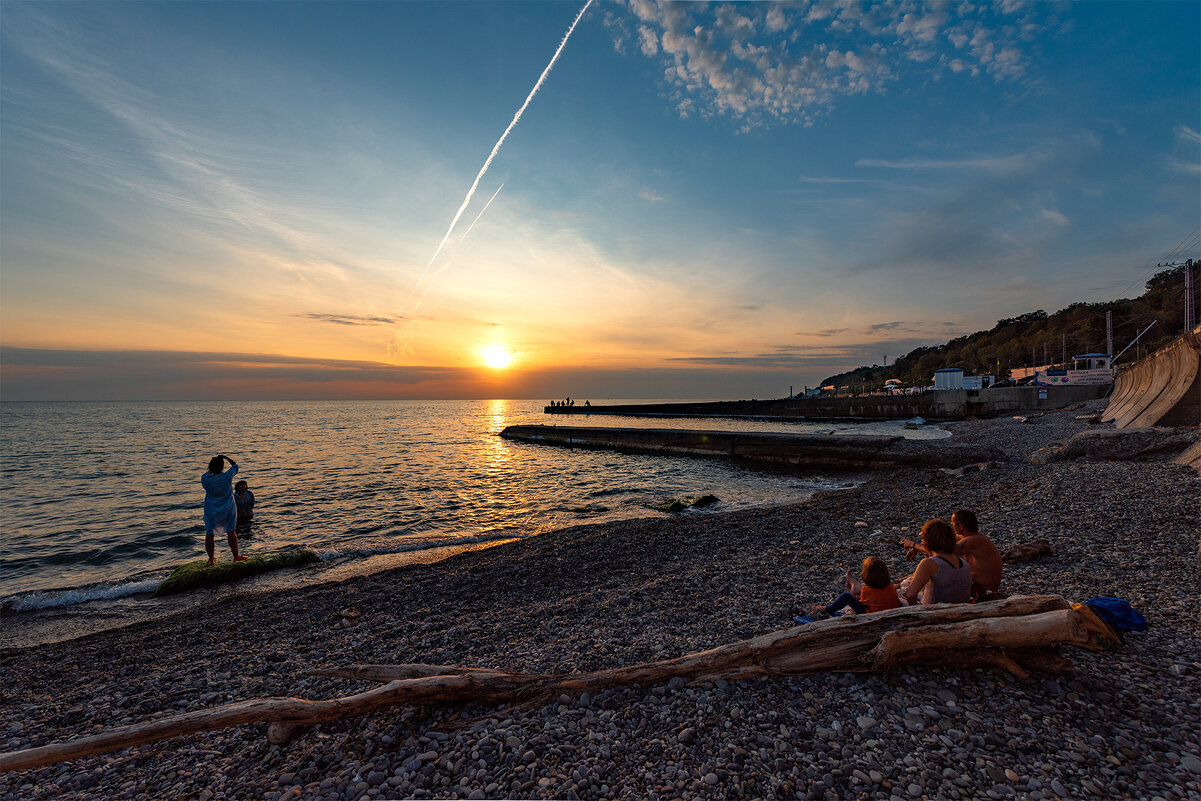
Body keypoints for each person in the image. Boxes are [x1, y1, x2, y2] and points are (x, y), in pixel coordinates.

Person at [901, 509, 1003, 601]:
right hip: (975, 585)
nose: (951, 525)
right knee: (925, 572)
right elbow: (939, 539)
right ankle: (903, 581)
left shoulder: (972, 541)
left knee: (920, 577)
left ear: (960, 527)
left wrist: (913, 545)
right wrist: (923, 543)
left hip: (981, 591)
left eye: (952, 523)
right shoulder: (975, 538)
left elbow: (939, 552)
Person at [903, 519, 972, 605]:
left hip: (932, 613)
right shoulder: (964, 563)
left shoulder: (929, 564)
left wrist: (915, 611)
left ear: (927, 540)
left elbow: (910, 595)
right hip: (959, 611)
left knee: (899, 594)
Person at [811, 556, 901, 617]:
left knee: (846, 596)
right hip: (892, 614)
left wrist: (853, 594)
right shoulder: (892, 587)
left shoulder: (866, 590)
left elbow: (860, 604)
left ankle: (828, 609)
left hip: (872, 616)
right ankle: (855, 585)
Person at [201, 454, 247, 565]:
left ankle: (211, 559)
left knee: (209, 534)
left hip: (211, 509)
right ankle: (236, 556)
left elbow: (209, 472)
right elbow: (235, 465)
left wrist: (213, 466)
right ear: (222, 467)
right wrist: (225, 458)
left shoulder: (205, 478)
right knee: (231, 532)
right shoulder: (227, 476)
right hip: (227, 509)